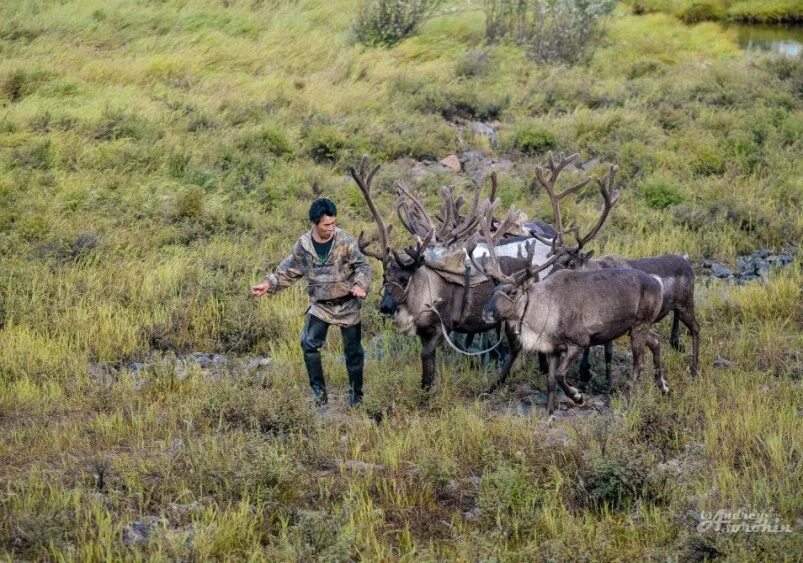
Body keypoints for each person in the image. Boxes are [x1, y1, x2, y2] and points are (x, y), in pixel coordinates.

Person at [251, 198, 371, 406]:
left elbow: (363, 267)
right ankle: (319, 395)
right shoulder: (304, 245)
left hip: (347, 304)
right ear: (315, 223)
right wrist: (268, 284)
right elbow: (288, 270)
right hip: (320, 305)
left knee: (353, 352)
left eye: (334, 223)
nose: (332, 228)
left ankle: (356, 397)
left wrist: (360, 285)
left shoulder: (345, 241)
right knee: (309, 344)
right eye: (326, 225)